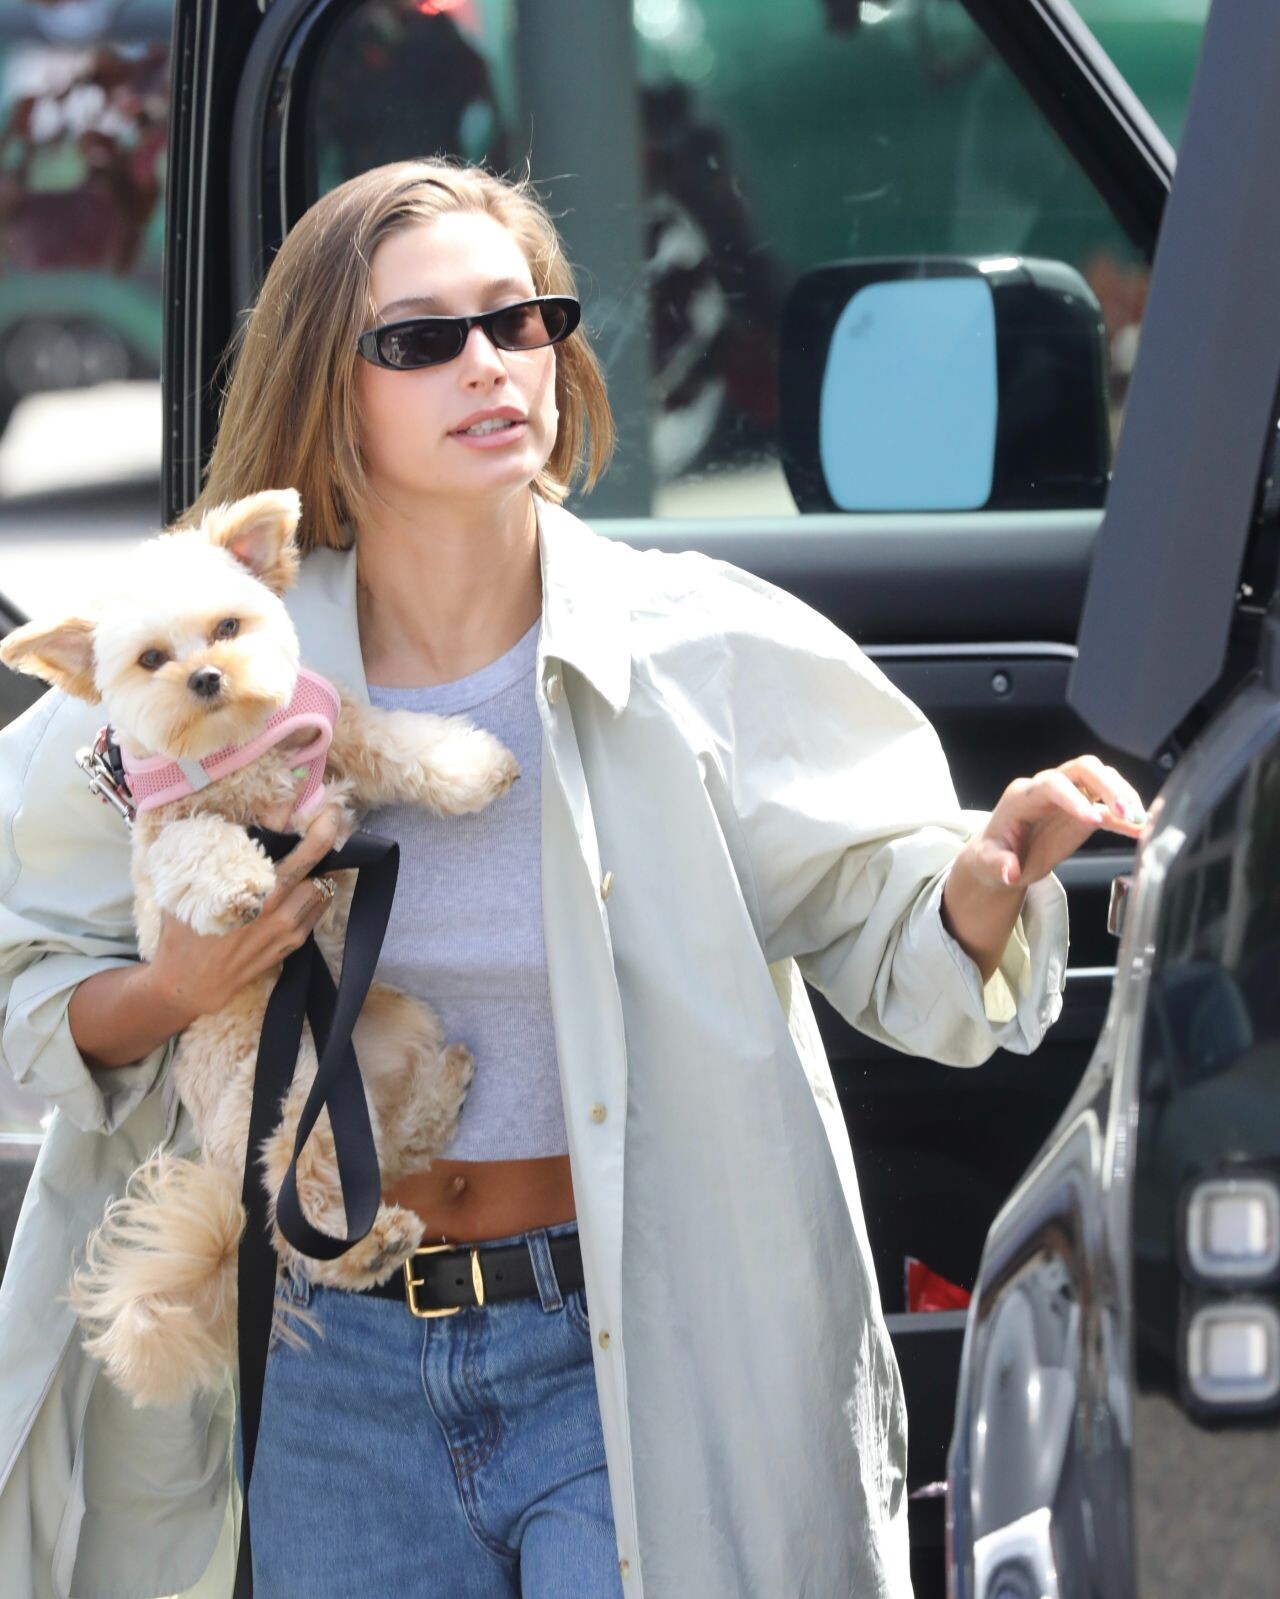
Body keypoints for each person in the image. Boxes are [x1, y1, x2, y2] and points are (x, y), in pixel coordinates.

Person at [0, 158, 1146, 1599]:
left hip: (624, 1344)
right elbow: (30, 976)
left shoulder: (697, 645)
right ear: (329, 387)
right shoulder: (200, 658)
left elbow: (893, 928)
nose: (490, 362)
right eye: (424, 339)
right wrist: (176, 988)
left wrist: (987, 872)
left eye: (520, 319)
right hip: (335, 1360)